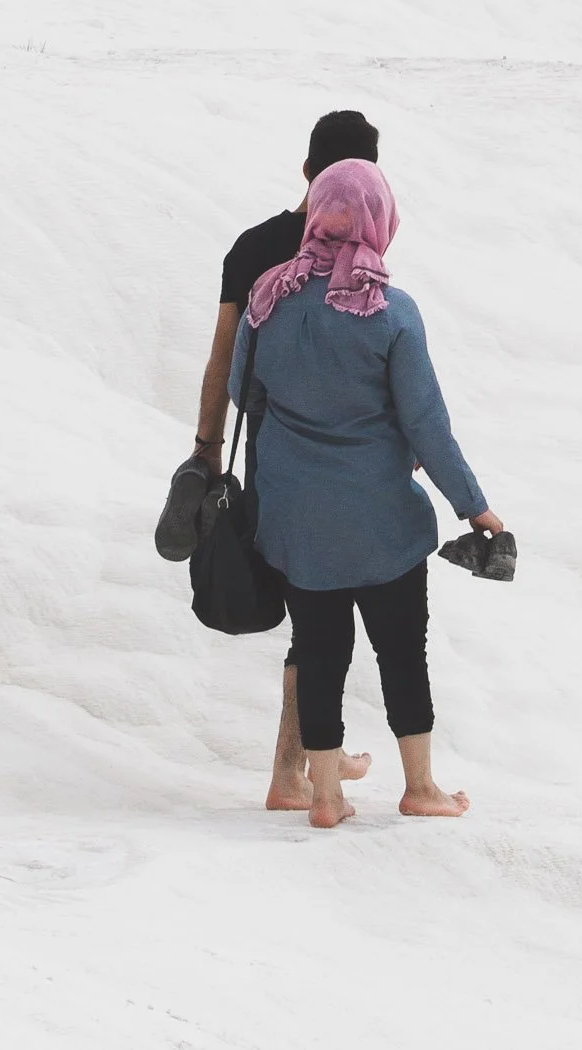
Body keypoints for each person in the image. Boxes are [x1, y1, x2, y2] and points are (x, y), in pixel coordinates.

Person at [231, 157, 505, 829]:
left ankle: (324, 797)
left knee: (320, 652)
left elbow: (244, 393)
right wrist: (474, 505)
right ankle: (421, 789)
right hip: (383, 522)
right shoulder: (390, 312)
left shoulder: (268, 297)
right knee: (401, 652)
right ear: (380, 221)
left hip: (298, 522)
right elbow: (426, 424)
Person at [190, 111, 385, 810]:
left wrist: (204, 453)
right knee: (324, 611)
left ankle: (309, 756)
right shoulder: (354, 255)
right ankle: (290, 770)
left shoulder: (252, 247)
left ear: (306, 172)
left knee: (319, 611)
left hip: (272, 451)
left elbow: (222, 361)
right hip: (330, 461)